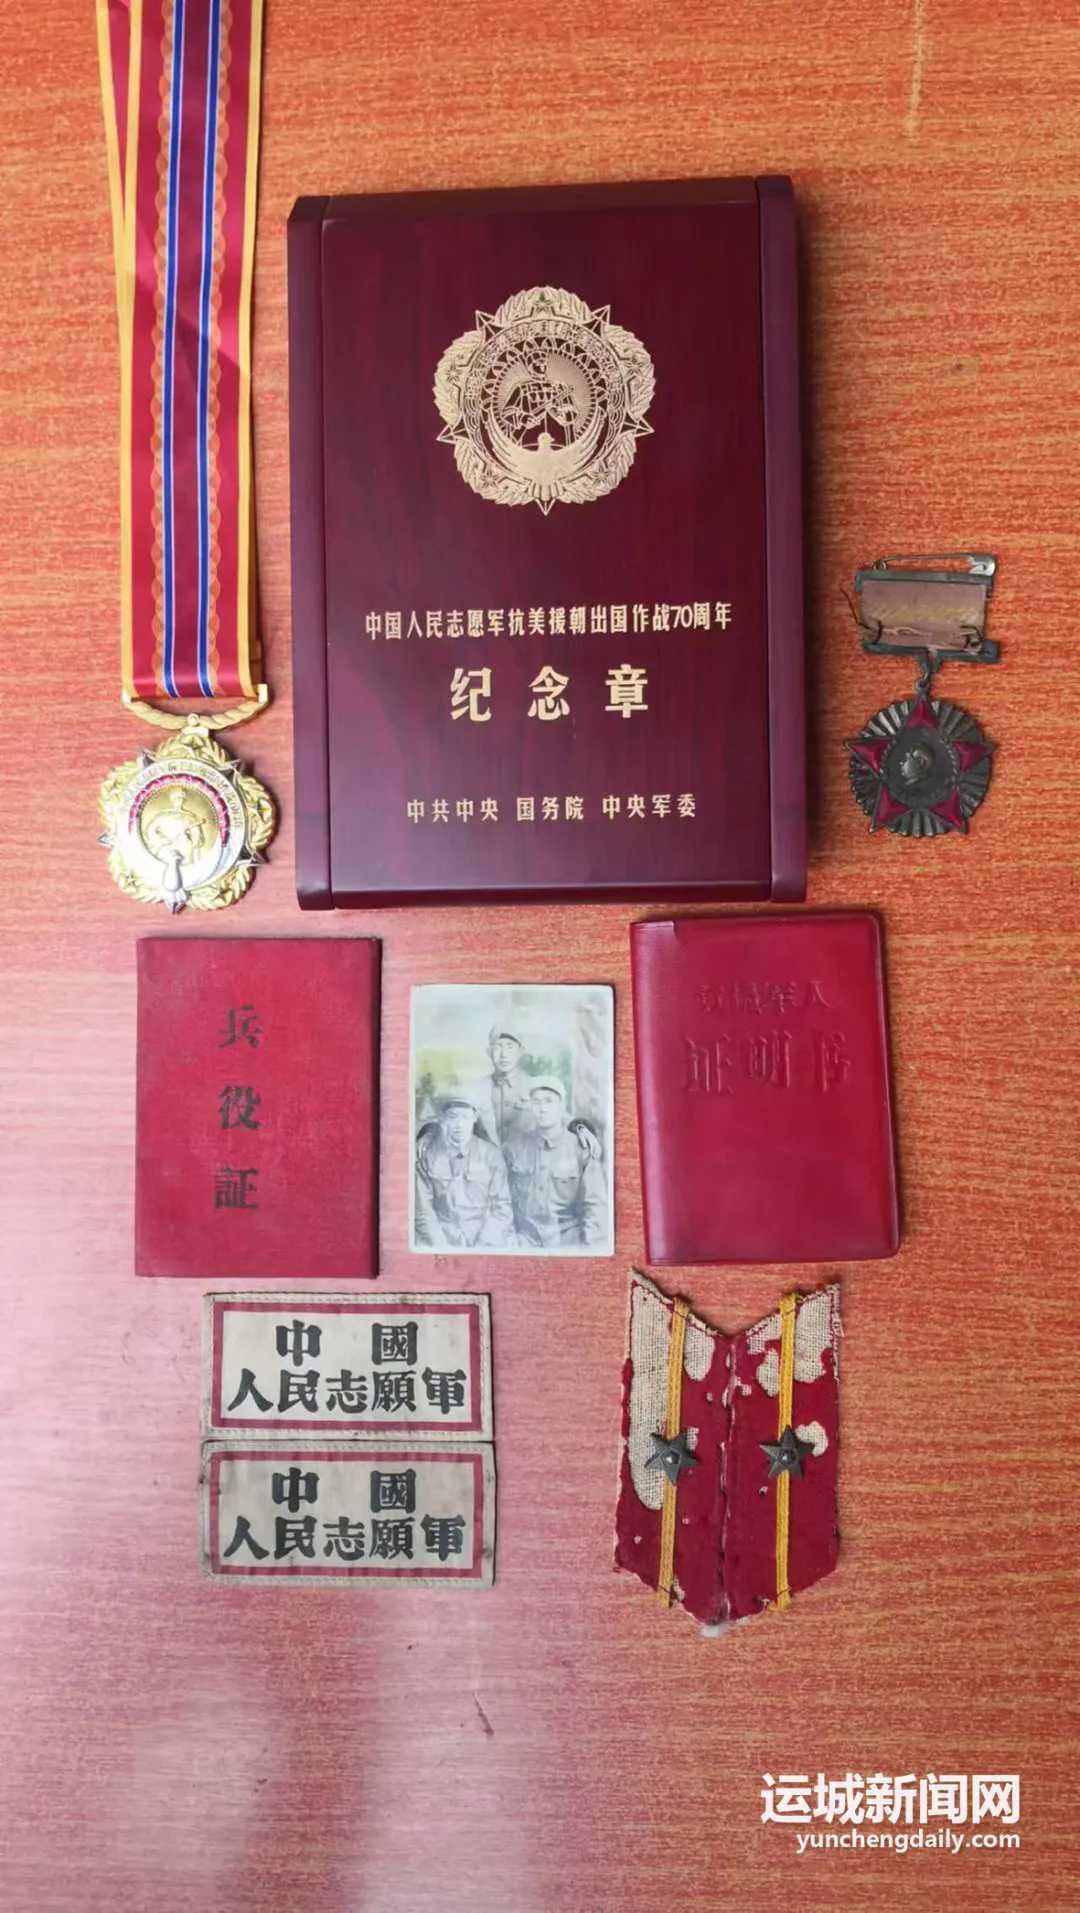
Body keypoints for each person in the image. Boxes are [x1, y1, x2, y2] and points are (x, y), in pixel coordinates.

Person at [506, 1079, 608, 1248]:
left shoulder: (581, 1149)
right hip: (524, 1240)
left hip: (568, 1240)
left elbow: (595, 1206)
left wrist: (588, 1248)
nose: (542, 1108)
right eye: (536, 1102)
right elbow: (503, 1202)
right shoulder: (514, 1149)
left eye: (549, 1101)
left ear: (562, 1106)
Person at [414, 1089, 515, 1250]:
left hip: (484, 1236)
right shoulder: (427, 1154)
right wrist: (441, 1248)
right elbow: (423, 1212)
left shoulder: (491, 1155)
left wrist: (482, 1247)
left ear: (475, 1118)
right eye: (453, 1116)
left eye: (465, 1117)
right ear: (442, 1119)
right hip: (443, 1235)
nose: (459, 1125)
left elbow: (501, 1209)